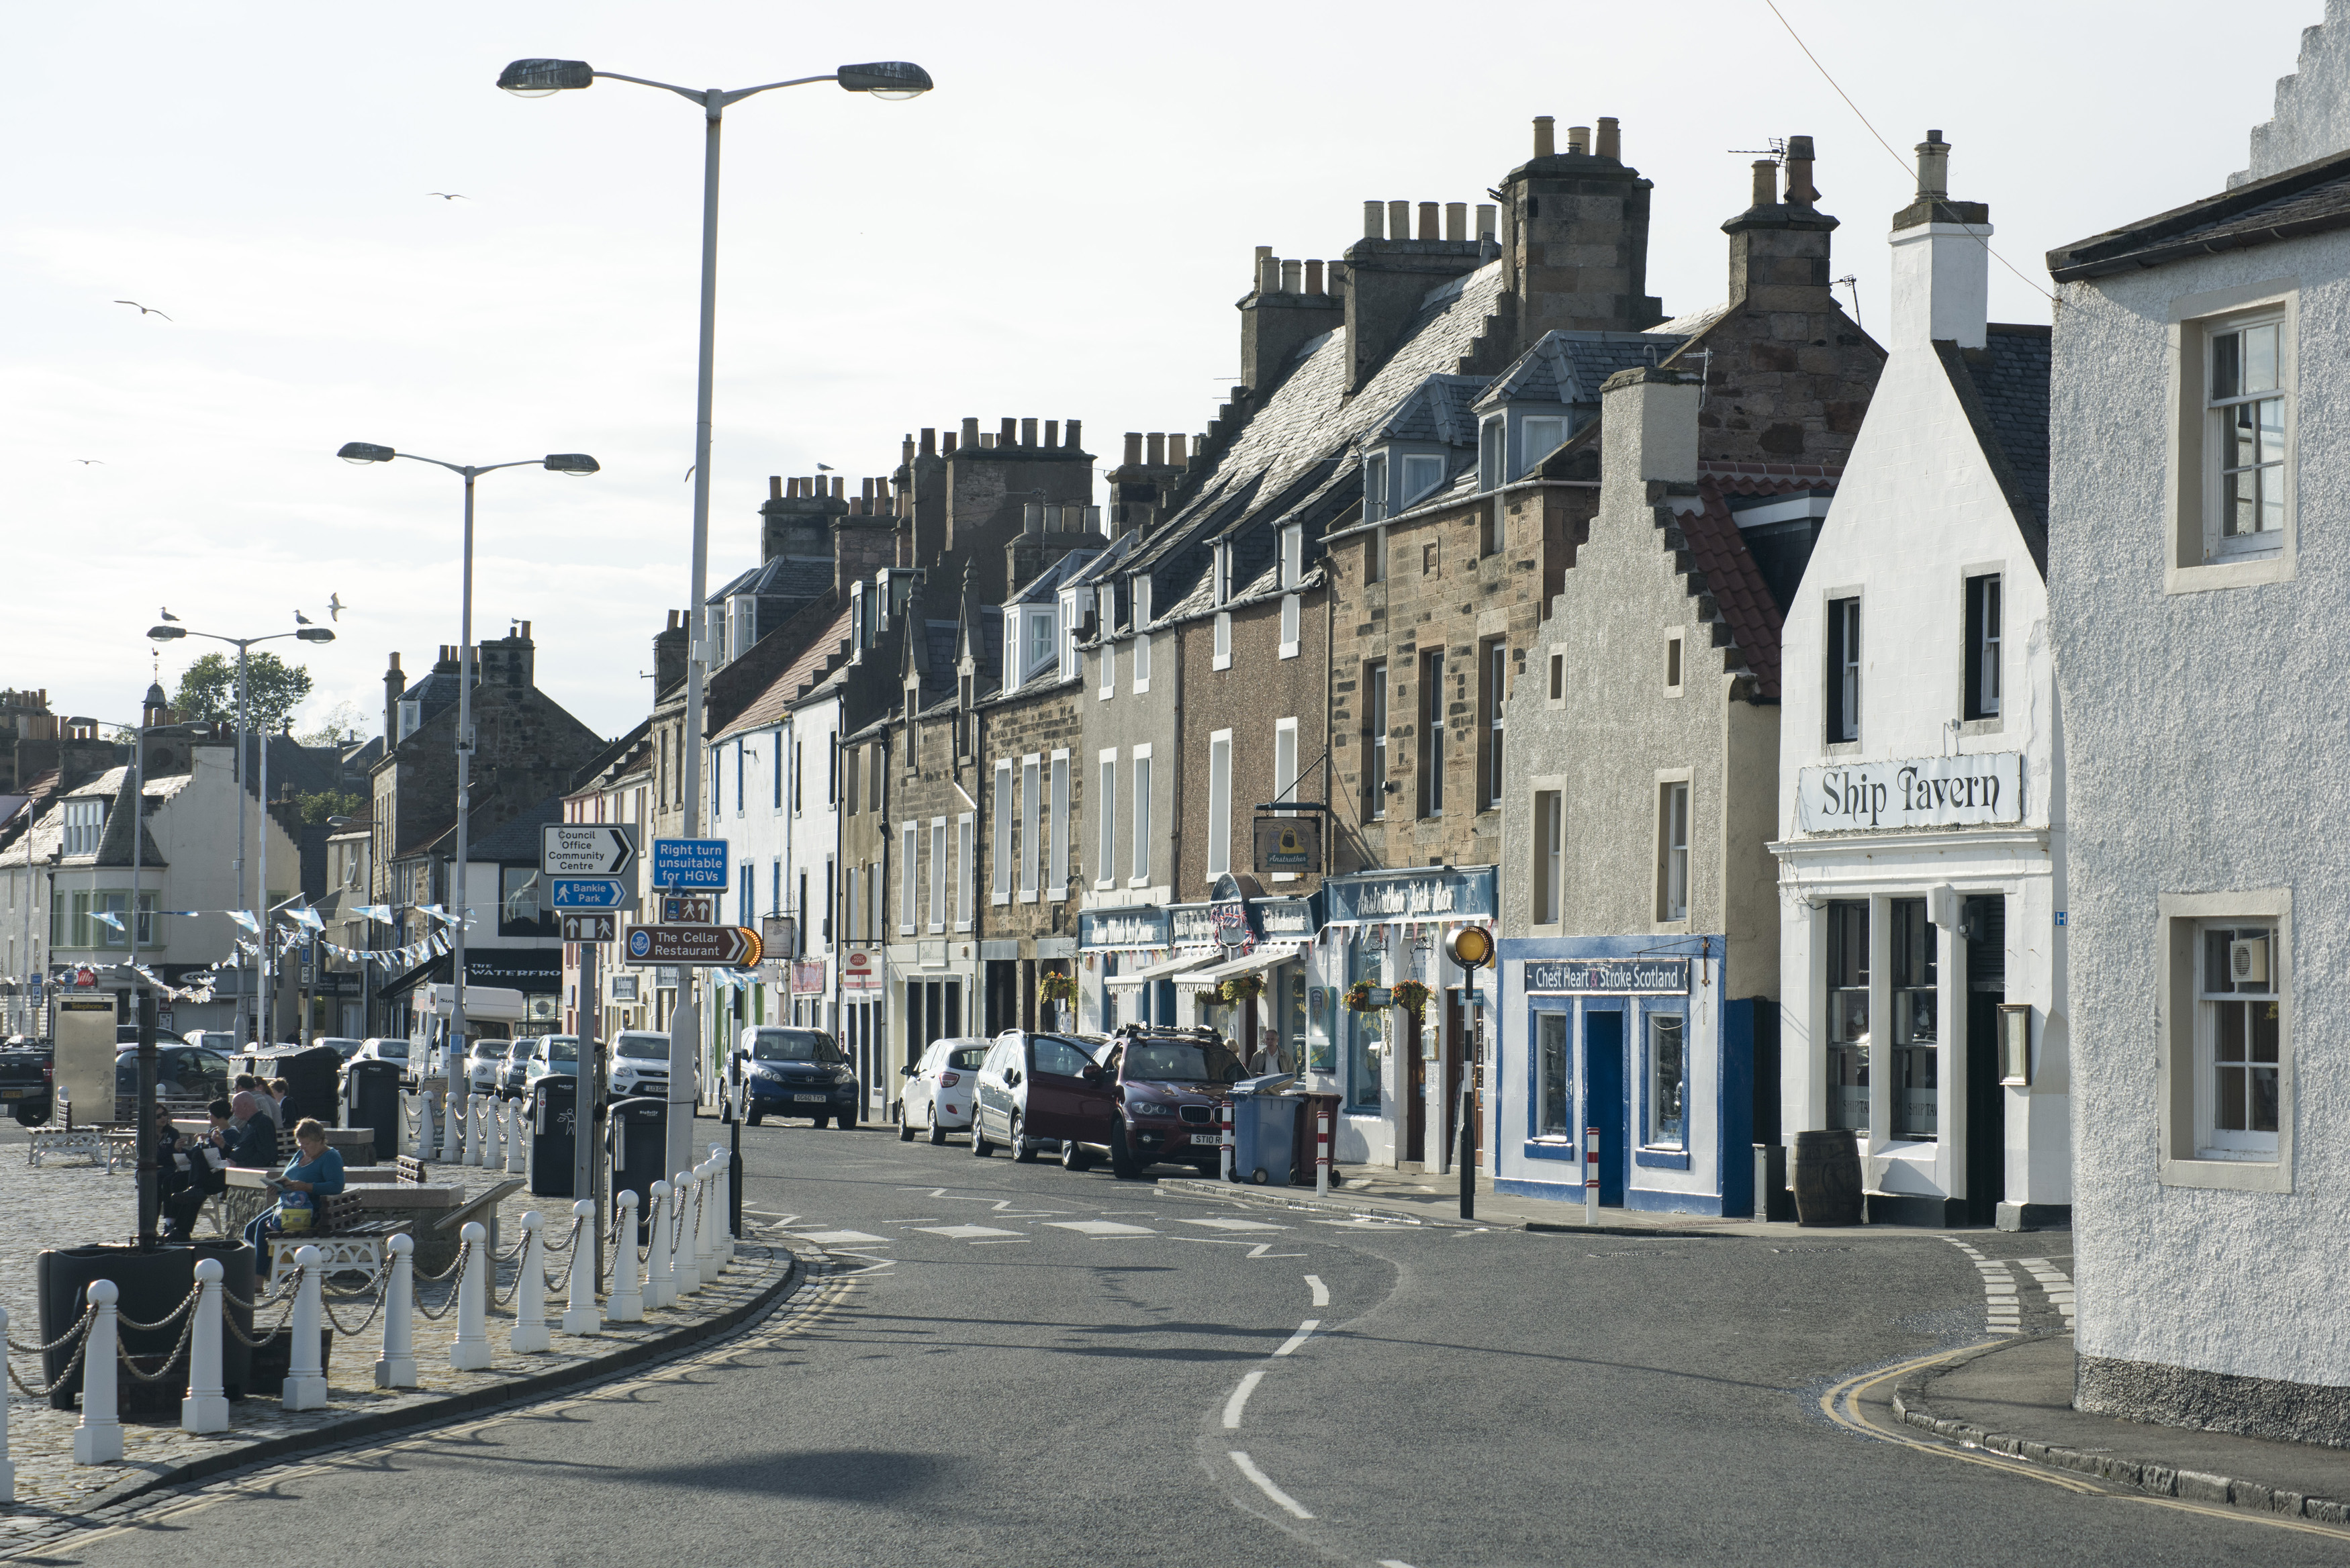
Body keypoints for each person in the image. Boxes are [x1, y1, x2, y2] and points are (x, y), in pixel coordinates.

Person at [242, 1118, 344, 1251]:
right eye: (299, 1143)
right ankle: (251, 1268)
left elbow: (336, 1186)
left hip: (308, 1209)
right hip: (288, 1203)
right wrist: (278, 1188)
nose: (302, 1147)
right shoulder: (300, 1154)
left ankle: (260, 1271)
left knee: (263, 1227)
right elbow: (289, 1178)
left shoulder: (330, 1156)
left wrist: (307, 1187)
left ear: (320, 1141)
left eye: (306, 1144)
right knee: (250, 1228)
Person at [223, 1089, 278, 1168]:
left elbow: (266, 1156)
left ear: (245, 1106)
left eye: (234, 1106)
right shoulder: (249, 1124)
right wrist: (223, 1145)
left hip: (252, 1173)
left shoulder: (263, 1123)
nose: (232, 1110)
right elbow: (241, 1149)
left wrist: (238, 1165)